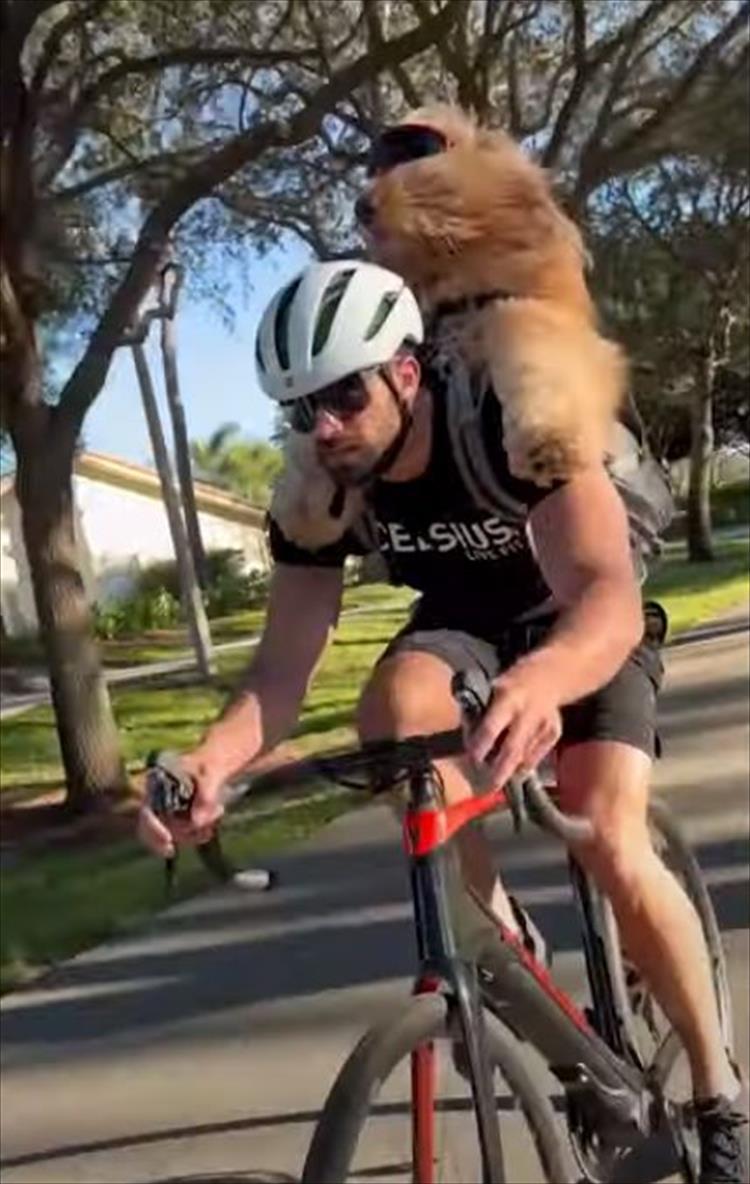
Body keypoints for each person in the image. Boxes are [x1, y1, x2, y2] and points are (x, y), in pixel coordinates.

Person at [138, 259, 746, 1182]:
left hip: (579, 616)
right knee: (390, 712)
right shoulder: (321, 490)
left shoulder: (509, 421)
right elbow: (282, 668)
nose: (326, 427)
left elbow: (608, 598)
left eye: (343, 395)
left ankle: (718, 1097)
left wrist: (545, 683)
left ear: (406, 373)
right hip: (469, 627)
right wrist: (211, 763)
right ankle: (499, 945)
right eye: (303, 409)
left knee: (609, 836)